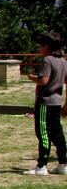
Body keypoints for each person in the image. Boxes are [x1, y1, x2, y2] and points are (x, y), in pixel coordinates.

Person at [24, 31, 67, 175]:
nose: (39, 49)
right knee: (58, 133)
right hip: (57, 102)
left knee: (43, 133)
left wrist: (32, 77)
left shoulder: (47, 60)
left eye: (41, 46)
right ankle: (63, 164)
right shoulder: (63, 61)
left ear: (47, 46)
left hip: (45, 102)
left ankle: (41, 166)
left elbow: (44, 81)